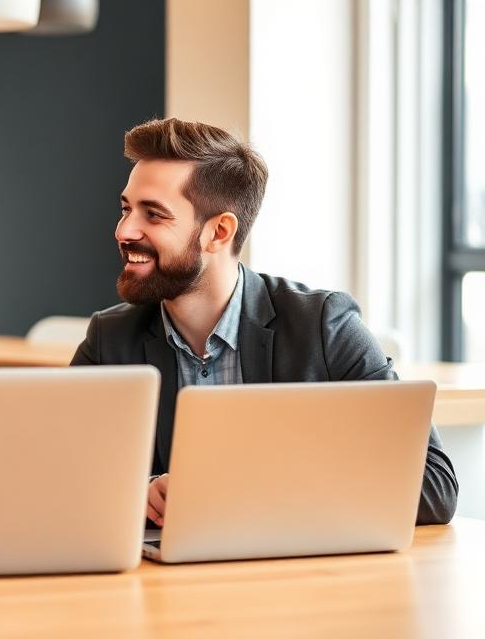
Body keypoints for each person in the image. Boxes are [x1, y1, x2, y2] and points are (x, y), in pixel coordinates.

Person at [71, 118, 458, 526]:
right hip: (167, 582)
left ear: (219, 232)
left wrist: (253, 493)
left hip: (298, 582)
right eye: (126, 209)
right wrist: (140, 491)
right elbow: (56, 473)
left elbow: (433, 488)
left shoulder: (323, 326)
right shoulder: (110, 338)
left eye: (153, 214)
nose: (124, 230)